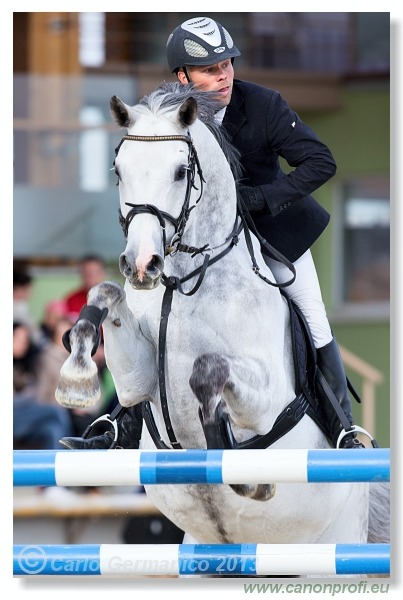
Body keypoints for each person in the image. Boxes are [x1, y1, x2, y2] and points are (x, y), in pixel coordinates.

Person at [61, 16, 364, 451]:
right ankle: (117, 426)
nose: (223, 76)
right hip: (189, 242)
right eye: (209, 69)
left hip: (272, 231)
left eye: (226, 64)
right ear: (182, 76)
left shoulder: (263, 104)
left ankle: (341, 427)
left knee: (312, 312)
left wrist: (261, 197)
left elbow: (320, 162)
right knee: (146, 321)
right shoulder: (162, 115)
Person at [13, 321, 74, 449]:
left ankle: (58, 466)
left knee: (53, 430)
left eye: (25, 340)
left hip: (27, 418)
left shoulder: (25, 363)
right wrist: (28, 395)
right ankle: (72, 453)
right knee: (56, 411)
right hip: (13, 419)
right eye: (18, 339)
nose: (23, 343)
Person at [64, 255, 107, 321]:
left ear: (102, 273)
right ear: (81, 274)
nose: (91, 276)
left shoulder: (113, 300)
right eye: (87, 272)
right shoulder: (72, 299)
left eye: (94, 272)